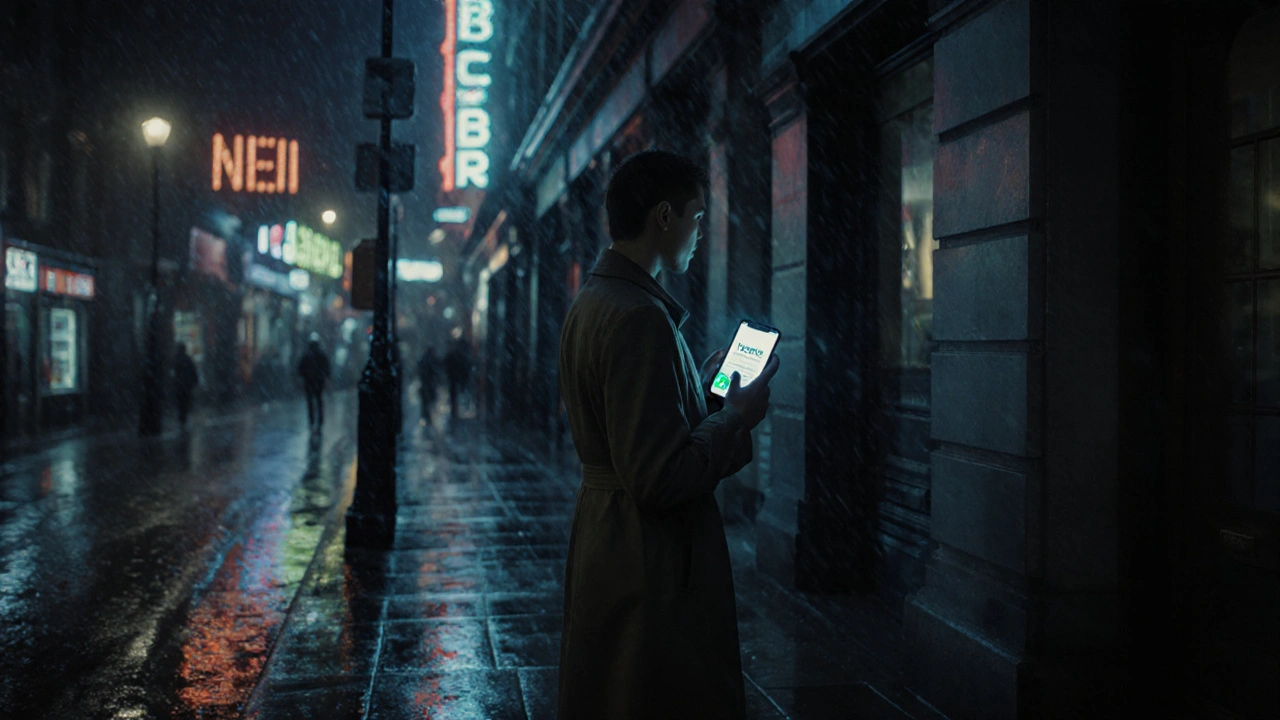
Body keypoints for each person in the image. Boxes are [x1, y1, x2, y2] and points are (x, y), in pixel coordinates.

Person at [556, 149, 779, 720]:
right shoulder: (638, 316)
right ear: (663, 217)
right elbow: (658, 476)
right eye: (697, 217)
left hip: (608, 538)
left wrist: (697, 397)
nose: (701, 232)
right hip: (647, 558)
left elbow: (627, 429)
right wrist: (735, 417)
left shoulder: (594, 301)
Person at [297, 337, 331, 430]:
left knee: (310, 402)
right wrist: (326, 377)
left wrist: (303, 377)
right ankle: (320, 420)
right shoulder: (321, 354)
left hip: (309, 382)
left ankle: (312, 420)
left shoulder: (306, 355)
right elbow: (327, 367)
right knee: (319, 400)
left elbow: (300, 368)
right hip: (318, 381)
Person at [443, 339, 472, 421]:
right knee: (456, 394)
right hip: (456, 378)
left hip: (454, 378)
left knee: (454, 394)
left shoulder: (453, 356)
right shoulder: (459, 356)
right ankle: (456, 410)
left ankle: (455, 410)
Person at [173, 343, 199, 427]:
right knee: (185, 401)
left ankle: (181, 417)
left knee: (181, 402)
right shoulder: (187, 359)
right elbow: (193, 371)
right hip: (186, 384)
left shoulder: (176, 359)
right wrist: (194, 382)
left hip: (179, 385)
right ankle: (183, 417)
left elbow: (173, 372)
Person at [417, 345, 439, 421]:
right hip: (429, 382)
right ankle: (427, 415)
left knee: (425, 400)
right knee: (429, 399)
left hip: (425, 382)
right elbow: (435, 371)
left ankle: (425, 415)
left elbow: (420, 369)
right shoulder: (431, 360)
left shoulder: (423, 359)